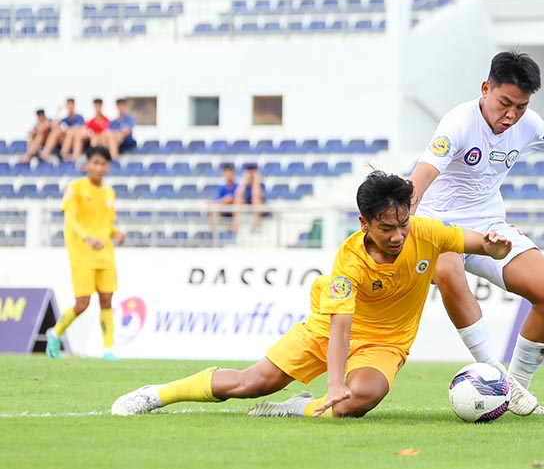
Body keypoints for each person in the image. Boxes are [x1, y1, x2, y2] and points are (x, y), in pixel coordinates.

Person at [110, 171, 512, 418]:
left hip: (385, 342)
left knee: (359, 400)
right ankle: (156, 395)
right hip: (327, 329)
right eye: (386, 227)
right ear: (364, 223)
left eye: (402, 224)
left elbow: (475, 242)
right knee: (252, 383)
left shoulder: (426, 231)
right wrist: (333, 381)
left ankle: (293, 408)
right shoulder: (349, 261)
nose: (398, 235)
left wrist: (493, 245)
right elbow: (340, 328)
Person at [409, 50, 544, 415]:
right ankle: (496, 374)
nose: (511, 115)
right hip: (439, 225)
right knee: (447, 270)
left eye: (520, 107)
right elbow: (423, 174)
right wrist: (402, 220)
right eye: (505, 103)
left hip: (491, 226)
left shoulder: (528, 123)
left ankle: (516, 391)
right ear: (485, 89)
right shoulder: (458, 123)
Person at [46, 145, 125, 361]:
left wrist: (116, 233)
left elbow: (106, 225)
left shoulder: (109, 193)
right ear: (87, 164)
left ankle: (108, 349)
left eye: (103, 164)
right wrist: (87, 238)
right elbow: (70, 220)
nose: (99, 168)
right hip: (82, 253)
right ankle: (55, 332)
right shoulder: (75, 188)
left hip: (105, 253)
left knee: (107, 299)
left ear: (108, 167)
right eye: (95, 163)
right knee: (82, 303)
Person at [39, 97, 85, 162]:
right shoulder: (65, 119)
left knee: (71, 132)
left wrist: (66, 130)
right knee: (56, 131)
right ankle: (45, 154)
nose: (70, 107)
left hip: (75, 141)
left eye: (71, 104)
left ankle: (65, 153)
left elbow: (78, 129)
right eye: (68, 105)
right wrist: (58, 111)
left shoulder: (79, 117)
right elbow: (54, 126)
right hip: (64, 141)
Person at [71, 98, 111, 163]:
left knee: (96, 139)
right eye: (96, 106)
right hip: (92, 141)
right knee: (81, 136)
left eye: (99, 105)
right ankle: (76, 158)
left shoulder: (107, 120)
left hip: (102, 143)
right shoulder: (91, 121)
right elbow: (84, 130)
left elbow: (107, 132)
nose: (97, 108)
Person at [233, 164, 266, 231]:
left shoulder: (261, 185)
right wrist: (244, 182)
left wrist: (256, 182)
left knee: (256, 199)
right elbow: (238, 195)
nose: (251, 175)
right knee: (238, 200)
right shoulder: (245, 186)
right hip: (247, 205)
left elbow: (256, 195)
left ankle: (256, 223)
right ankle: (236, 223)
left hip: (259, 206)